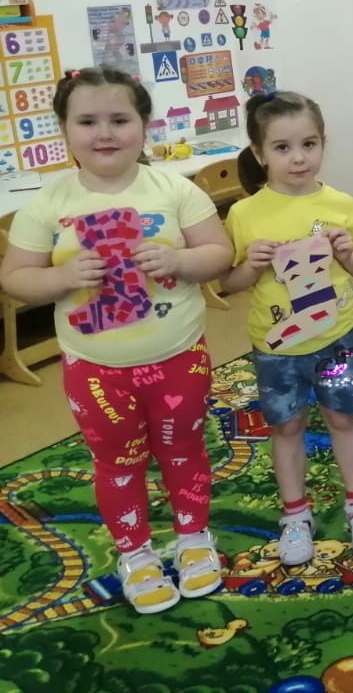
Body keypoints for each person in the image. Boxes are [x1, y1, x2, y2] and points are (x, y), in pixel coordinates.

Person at [0, 67, 233, 614]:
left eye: (119, 119)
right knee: (117, 461)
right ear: (64, 128)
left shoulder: (174, 189)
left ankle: (194, 539)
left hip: (178, 359)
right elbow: (14, 277)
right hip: (96, 370)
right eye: (87, 121)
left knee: (184, 450)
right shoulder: (46, 204)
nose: (104, 133)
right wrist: (60, 277)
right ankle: (136, 554)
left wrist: (179, 260)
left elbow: (220, 253)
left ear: (144, 125)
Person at [222, 92, 353, 565]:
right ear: (259, 153)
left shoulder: (340, 204)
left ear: (322, 144)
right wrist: (251, 266)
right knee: (287, 425)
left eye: (308, 144)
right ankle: (295, 515)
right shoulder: (245, 214)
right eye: (282, 147)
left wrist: (347, 253)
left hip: (336, 340)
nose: (298, 158)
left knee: (343, 418)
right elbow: (228, 284)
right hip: (277, 347)